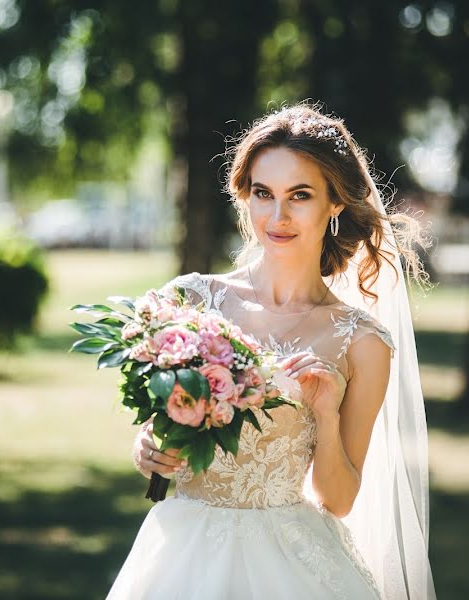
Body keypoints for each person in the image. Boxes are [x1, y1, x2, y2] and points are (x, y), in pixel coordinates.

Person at [105, 102, 437, 599]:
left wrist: (325, 416)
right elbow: (161, 429)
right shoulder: (188, 302)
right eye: (263, 193)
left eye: (299, 196)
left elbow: (340, 499)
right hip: (182, 556)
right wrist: (149, 448)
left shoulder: (363, 343)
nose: (277, 216)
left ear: (335, 204)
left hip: (292, 566)